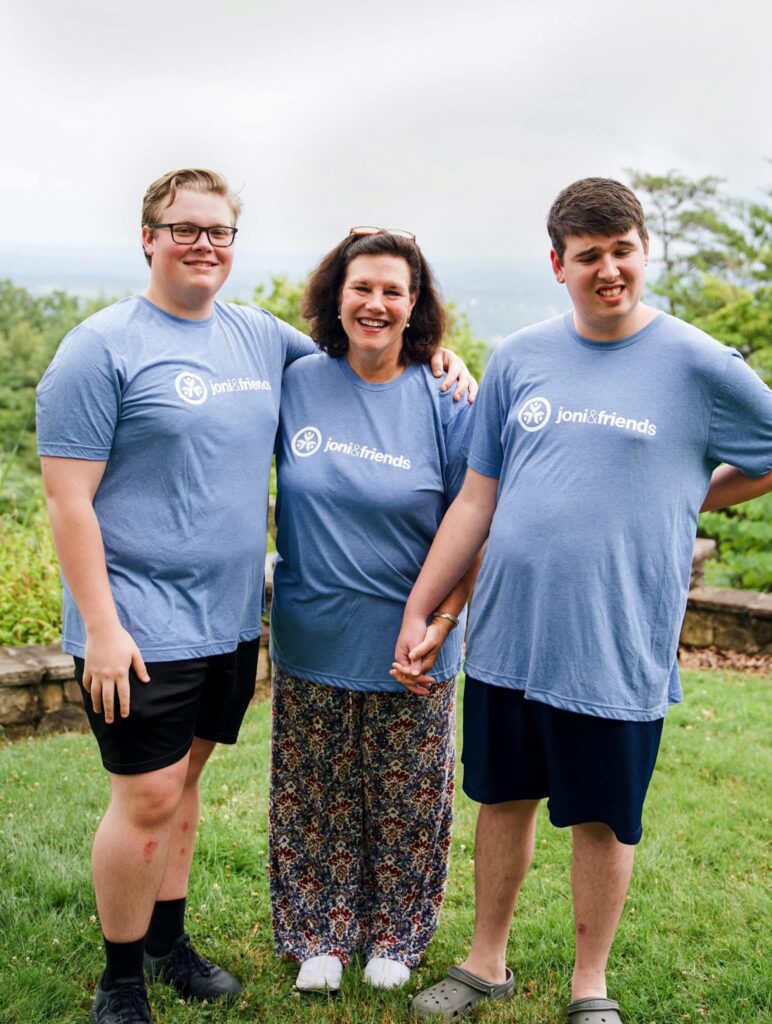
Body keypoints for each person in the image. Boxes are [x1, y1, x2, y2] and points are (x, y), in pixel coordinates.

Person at [35, 173, 473, 1024]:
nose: (205, 245)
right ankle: (120, 978)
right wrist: (101, 625)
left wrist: (440, 358)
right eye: (185, 229)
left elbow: (365, 363)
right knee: (148, 796)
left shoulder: (260, 340)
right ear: (148, 237)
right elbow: (66, 500)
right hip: (135, 624)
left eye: (220, 231)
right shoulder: (101, 347)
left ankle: (167, 943)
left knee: (187, 780)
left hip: (230, 621)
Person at [393, 178, 772, 1024]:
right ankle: (484, 962)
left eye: (622, 250)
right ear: (558, 263)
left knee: (602, 817)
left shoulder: (701, 364)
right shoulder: (522, 357)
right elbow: (476, 500)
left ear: (646, 251)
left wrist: (690, 494)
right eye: (589, 255)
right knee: (502, 800)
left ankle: (587, 984)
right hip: (508, 639)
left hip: (617, 640)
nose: (609, 270)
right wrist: (422, 610)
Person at [268, 228, 480, 994]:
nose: (376, 303)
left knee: (409, 798)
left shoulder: (450, 397)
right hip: (311, 632)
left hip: (417, 642)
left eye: (394, 290)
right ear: (337, 295)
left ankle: (396, 934)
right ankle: (317, 934)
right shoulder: (296, 380)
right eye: (363, 287)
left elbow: (477, 521)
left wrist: (443, 621)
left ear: (415, 303)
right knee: (312, 791)